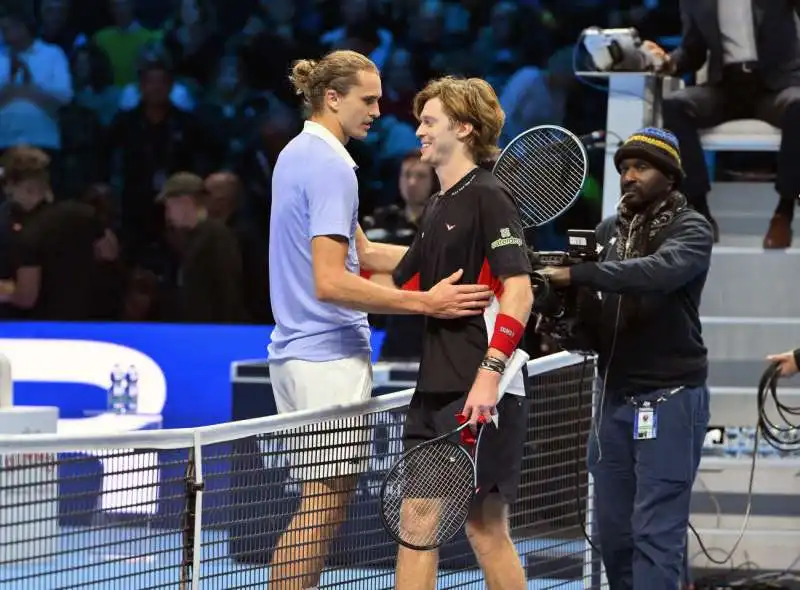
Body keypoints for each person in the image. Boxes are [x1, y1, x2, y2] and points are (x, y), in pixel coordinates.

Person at [266, 51, 493, 590]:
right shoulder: (332, 166)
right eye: (368, 100)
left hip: (297, 354)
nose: (378, 110)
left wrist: (447, 253)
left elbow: (362, 254)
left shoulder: (298, 153)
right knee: (321, 508)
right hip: (326, 357)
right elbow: (332, 281)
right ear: (333, 98)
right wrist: (427, 303)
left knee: (322, 504)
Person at [540, 127, 713, 589]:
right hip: (613, 397)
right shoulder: (606, 232)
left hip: (671, 396)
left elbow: (658, 273)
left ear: (669, 177)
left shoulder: (692, 229)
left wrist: (580, 273)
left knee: (656, 533)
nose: (628, 176)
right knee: (614, 535)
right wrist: (561, 309)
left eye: (640, 167)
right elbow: (595, 315)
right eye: (623, 169)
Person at [387, 76, 534, 590]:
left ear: (465, 128)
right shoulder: (438, 204)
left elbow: (520, 291)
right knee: (445, 524)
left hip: (479, 390)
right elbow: (402, 278)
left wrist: (489, 375)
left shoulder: (489, 197)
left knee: (465, 526)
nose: (419, 130)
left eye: (430, 121)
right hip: (436, 386)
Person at [644, 2, 800, 248]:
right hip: (726, 86)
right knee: (675, 105)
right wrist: (669, 62)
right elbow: (692, 51)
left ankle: (784, 211)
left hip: (775, 85)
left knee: (798, 104)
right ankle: (700, 211)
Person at [156, 171, 249, 324]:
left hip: (212, 334)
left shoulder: (217, 237)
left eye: (169, 206)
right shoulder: (195, 238)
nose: (168, 215)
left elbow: (227, 292)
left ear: (185, 202)